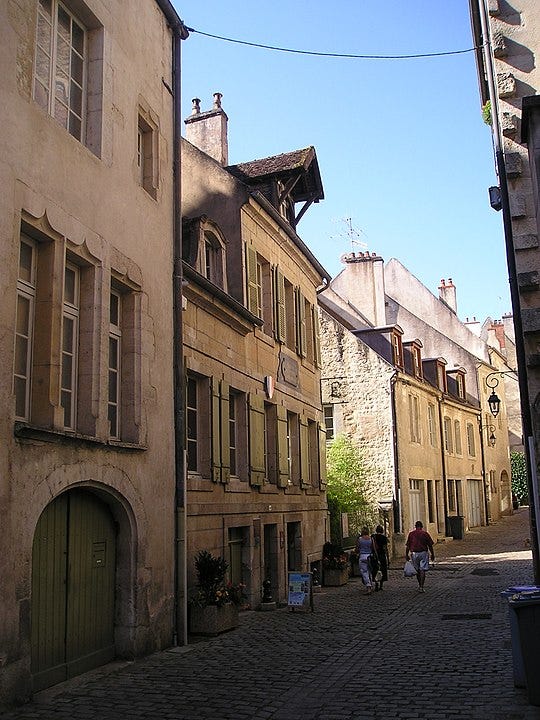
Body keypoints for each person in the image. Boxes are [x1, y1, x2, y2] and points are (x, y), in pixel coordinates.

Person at [405, 520, 435, 593]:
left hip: (414, 553)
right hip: (423, 553)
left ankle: (419, 585)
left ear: (415, 526)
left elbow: (408, 545)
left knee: (417, 570)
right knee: (422, 569)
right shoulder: (425, 534)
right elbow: (430, 545)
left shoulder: (411, 534)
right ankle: (421, 586)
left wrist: (406, 554)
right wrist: (432, 554)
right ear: (422, 526)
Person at [356, 527, 375, 594]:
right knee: (369, 571)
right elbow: (373, 548)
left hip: (362, 556)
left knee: (364, 572)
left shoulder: (360, 539)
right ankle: (371, 584)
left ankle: (368, 586)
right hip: (369, 556)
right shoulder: (371, 539)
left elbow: (357, 548)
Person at [371, 525, 390, 591]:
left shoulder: (373, 537)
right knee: (382, 570)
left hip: (375, 556)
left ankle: (376, 583)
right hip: (382, 555)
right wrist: (388, 557)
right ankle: (381, 585)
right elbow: (385, 548)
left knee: (375, 569)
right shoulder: (384, 538)